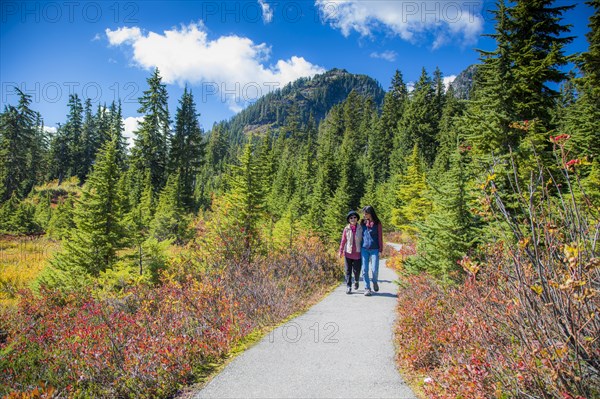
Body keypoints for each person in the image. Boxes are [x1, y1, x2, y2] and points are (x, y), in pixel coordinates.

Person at [338, 210, 363, 294]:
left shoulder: (360, 228)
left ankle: (356, 280)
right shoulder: (346, 229)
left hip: (358, 253)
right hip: (348, 253)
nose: (353, 219)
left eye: (354, 217)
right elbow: (343, 240)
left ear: (357, 219)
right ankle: (348, 286)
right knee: (348, 270)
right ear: (349, 220)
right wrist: (340, 251)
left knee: (357, 270)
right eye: (351, 218)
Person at [360, 205, 383, 296]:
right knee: (365, 269)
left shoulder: (377, 223)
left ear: (371, 213)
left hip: (375, 249)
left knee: (374, 269)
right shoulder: (362, 223)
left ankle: (374, 281)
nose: (364, 215)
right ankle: (367, 288)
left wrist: (380, 249)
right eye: (364, 214)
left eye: (366, 214)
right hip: (364, 249)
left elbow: (380, 236)